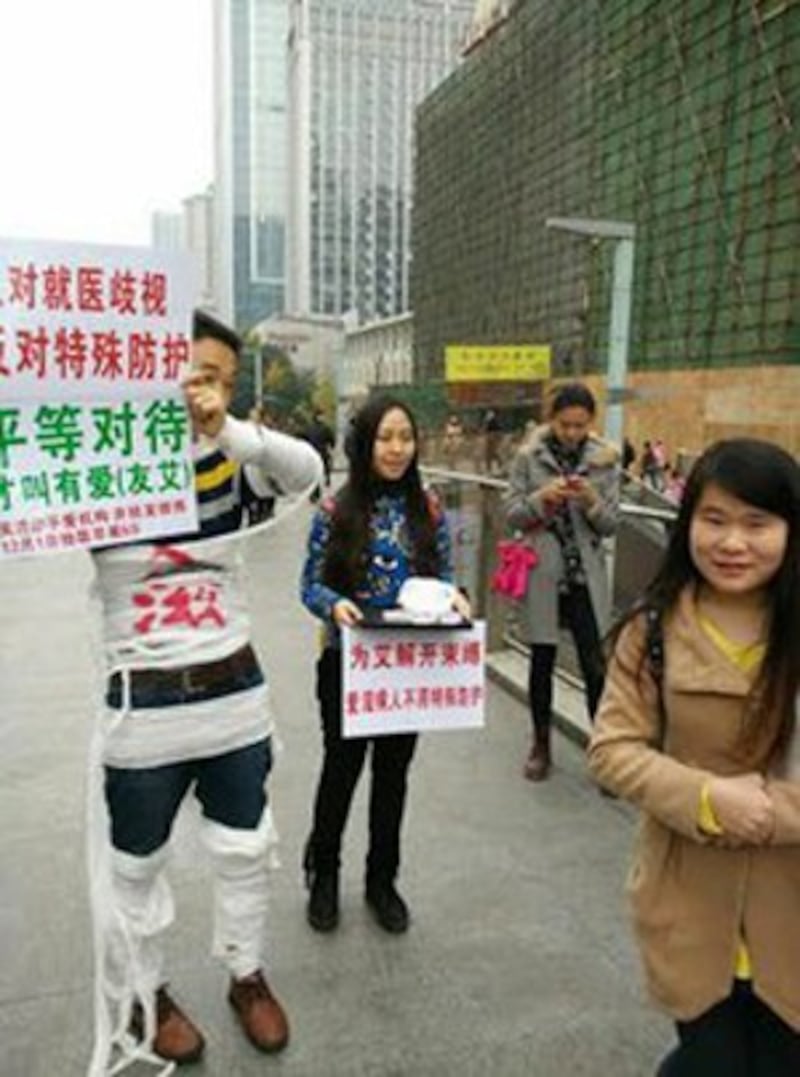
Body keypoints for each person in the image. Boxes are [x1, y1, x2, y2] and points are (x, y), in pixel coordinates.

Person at [91, 310, 322, 1068]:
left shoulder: (235, 458)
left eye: (216, 376)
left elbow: (309, 473)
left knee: (244, 849)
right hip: (142, 705)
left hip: (233, 695)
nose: (200, 389)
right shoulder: (98, 461)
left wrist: (232, 430)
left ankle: (245, 973)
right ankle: (145, 992)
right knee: (135, 866)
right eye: (188, 371)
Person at [588, 438, 800, 1077]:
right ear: (688, 526)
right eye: (714, 520)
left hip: (790, 905)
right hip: (689, 898)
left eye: (757, 523)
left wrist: (771, 814)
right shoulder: (651, 629)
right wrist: (709, 798)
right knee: (714, 1058)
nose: (733, 542)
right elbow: (612, 751)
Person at [299, 395, 470, 935]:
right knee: (341, 771)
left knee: (393, 776)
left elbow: (442, 574)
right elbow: (309, 584)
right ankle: (323, 873)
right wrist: (335, 606)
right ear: (365, 442)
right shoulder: (335, 508)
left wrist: (456, 597)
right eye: (385, 437)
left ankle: (382, 880)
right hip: (348, 660)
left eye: (405, 437)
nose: (397, 449)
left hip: (405, 665)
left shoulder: (431, 507)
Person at [504, 382, 620, 780]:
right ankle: (540, 745)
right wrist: (543, 497)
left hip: (585, 575)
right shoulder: (527, 457)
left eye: (580, 426)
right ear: (551, 419)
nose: (572, 432)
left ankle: (604, 753)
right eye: (565, 424)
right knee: (542, 660)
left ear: (591, 423)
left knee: (595, 665)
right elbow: (513, 514)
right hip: (543, 571)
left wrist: (590, 499)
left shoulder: (604, 462)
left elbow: (611, 525)